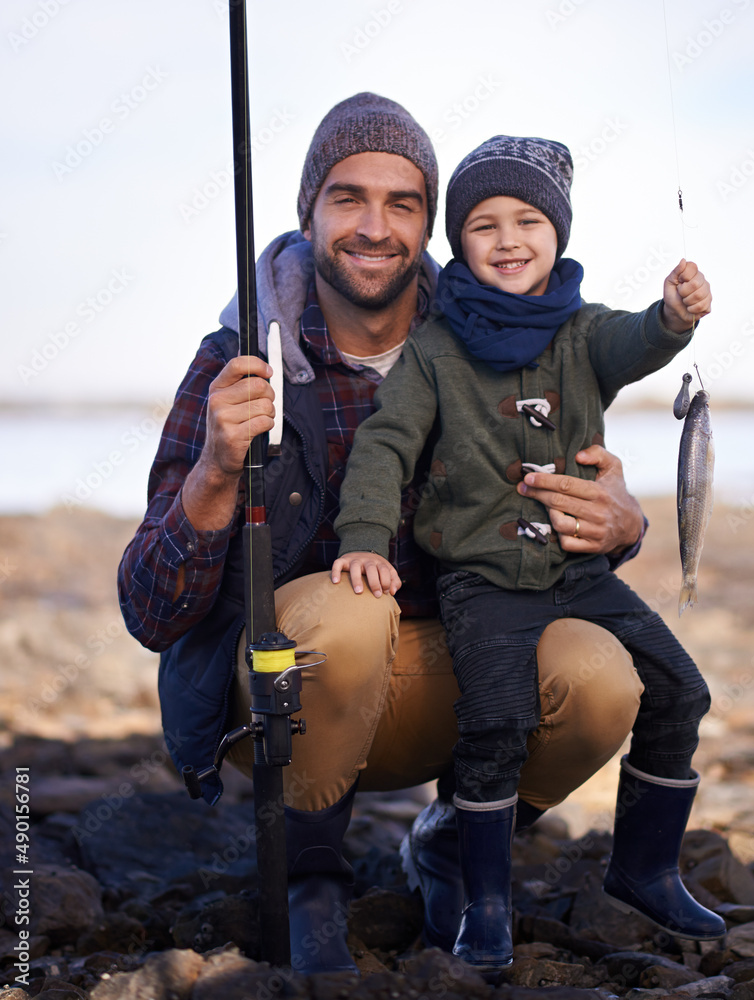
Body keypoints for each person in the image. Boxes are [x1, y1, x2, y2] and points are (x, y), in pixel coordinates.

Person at [117, 94, 655, 975]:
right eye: (347, 198)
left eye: (403, 203)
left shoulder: (502, 349)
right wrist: (216, 471)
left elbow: (561, 519)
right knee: (349, 608)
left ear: (429, 225)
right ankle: (311, 873)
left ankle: (451, 838)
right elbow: (149, 610)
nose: (374, 227)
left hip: (463, 679)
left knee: (603, 677)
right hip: (286, 700)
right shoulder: (236, 356)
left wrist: (619, 526)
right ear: (308, 212)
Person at [332, 135, 724, 971]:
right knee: (497, 723)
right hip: (482, 584)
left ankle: (645, 867)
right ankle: (485, 905)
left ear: (559, 233)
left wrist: (676, 315)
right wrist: (364, 540)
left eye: (529, 221)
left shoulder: (585, 334)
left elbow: (643, 341)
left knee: (681, 690)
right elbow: (384, 446)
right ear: (458, 243)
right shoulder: (435, 350)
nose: (509, 239)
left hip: (578, 575)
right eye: (484, 224)